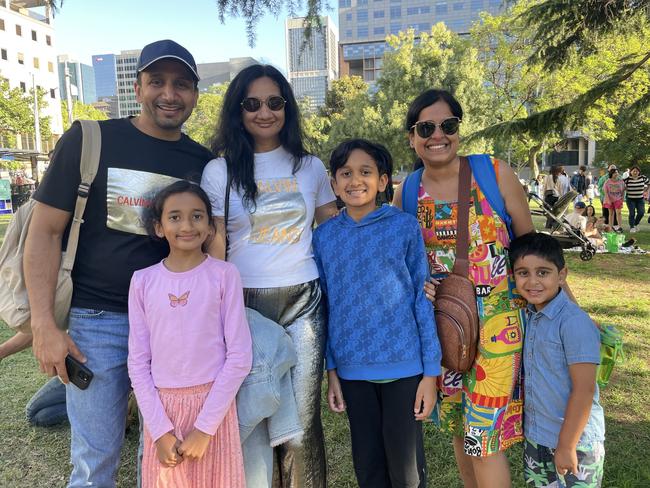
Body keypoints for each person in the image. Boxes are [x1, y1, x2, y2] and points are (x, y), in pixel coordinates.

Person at [24, 40, 213, 487]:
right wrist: (44, 325)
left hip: (175, 326)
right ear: (137, 86)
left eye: (182, 84)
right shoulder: (90, 139)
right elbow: (45, 232)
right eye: (157, 82)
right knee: (95, 462)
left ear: (195, 94)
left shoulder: (204, 163)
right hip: (97, 324)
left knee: (173, 460)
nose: (170, 93)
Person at [201, 64, 338, 488]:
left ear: (287, 107)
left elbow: (334, 233)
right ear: (238, 111)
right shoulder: (219, 172)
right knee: (255, 422)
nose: (265, 112)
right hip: (242, 307)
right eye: (252, 103)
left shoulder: (310, 167)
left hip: (303, 301)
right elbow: (216, 243)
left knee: (298, 425)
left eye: (275, 102)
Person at [393, 89, 535, 488]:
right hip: (446, 331)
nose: (437, 135)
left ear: (458, 130)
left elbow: (532, 249)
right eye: (425, 127)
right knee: (461, 429)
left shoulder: (493, 172)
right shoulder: (406, 191)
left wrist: (565, 305)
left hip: (498, 329)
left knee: (482, 438)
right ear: (411, 137)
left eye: (447, 125)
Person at [313, 139, 442, 488]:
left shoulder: (403, 228)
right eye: (346, 173)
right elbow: (324, 306)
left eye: (366, 172)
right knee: (368, 467)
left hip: (405, 365)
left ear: (384, 181)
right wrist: (332, 371)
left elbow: (421, 297)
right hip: (353, 370)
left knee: (406, 471)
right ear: (334, 183)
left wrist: (430, 373)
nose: (356, 181)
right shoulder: (323, 237)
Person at [128, 181, 251, 487]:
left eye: (197, 216)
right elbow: (138, 363)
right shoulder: (142, 282)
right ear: (159, 227)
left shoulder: (224, 275)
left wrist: (205, 428)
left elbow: (239, 357)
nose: (186, 225)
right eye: (175, 217)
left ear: (210, 227)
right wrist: (159, 431)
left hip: (214, 411)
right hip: (162, 410)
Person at [510, 233, 605, 487]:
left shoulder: (574, 323)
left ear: (562, 275)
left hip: (577, 444)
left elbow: (584, 390)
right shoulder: (528, 315)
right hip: (538, 437)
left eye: (543, 273)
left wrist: (567, 445)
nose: (532, 282)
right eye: (523, 273)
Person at [0, 331, 68, 427]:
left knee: (33, 414)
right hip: (78, 371)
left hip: (83, 373)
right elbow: (44, 329)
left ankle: (93, 406)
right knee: (39, 414)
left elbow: (45, 327)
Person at [623, 165, 649, 233]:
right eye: (633, 171)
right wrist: (625, 189)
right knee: (632, 213)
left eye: (636, 171)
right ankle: (632, 227)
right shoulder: (627, 179)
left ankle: (635, 224)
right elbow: (621, 186)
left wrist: (645, 190)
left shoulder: (643, 178)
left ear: (639, 172)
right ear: (630, 172)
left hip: (640, 199)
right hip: (630, 199)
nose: (635, 172)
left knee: (641, 212)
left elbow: (649, 183)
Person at [602, 168, 625, 232]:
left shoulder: (621, 181)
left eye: (617, 172)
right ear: (611, 174)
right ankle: (611, 227)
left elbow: (623, 190)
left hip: (618, 199)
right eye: (615, 173)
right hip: (609, 199)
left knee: (619, 213)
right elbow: (605, 191)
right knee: (611, 213)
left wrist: (622, 197)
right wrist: (608, 199)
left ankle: (620, 227)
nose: (616, 174)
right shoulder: (607, 181)